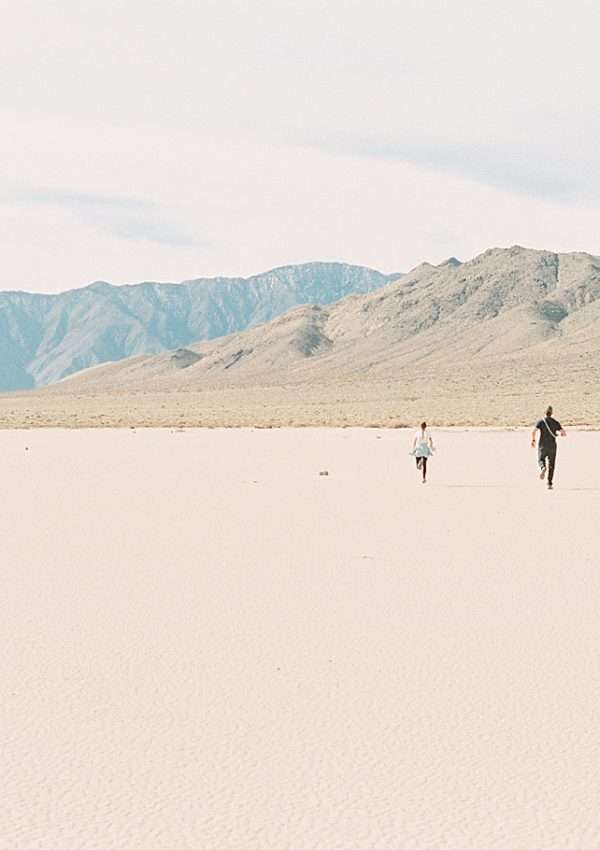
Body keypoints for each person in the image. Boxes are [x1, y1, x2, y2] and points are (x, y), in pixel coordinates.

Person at [531, 405, 566, 490]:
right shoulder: (555, 422)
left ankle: (543, 468)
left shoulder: (541, 421)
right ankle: (549, 483)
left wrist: (533, 440)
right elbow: (563, 433)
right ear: (552, 413)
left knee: (540, 459)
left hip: (542, 445)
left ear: (545, 412)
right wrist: (559, 434)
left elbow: (533, 431)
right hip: (552, 446)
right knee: (552, 464)